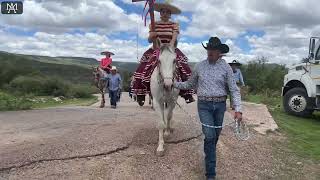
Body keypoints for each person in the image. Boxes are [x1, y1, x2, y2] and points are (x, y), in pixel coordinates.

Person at [173, 37, 243, 180]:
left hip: (220, 105)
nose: (210, 52)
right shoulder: (199, 66)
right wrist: (174, 84)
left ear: (220, 53)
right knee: (210, 135)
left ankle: (209, 151)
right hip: (204, 105)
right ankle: (210, 174)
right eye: (209, 49)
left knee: (214, 136)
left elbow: (234, 89)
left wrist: (238, 109)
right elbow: (189, 84)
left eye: (213, 50)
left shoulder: (226, 67)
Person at [131, 1, 195, 105]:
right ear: (160, 13)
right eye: (163, 12)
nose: (165, 14)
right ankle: (141, 93)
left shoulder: (174, 24)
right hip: (156, 48)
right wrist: (152, 36)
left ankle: (187, 93)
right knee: (143, 67)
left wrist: (170, 47)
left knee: (184, 67)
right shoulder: (154, 24)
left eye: (167, 12)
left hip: (170, 48)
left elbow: (174, 38)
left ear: (170, 14)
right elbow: (149, 40)